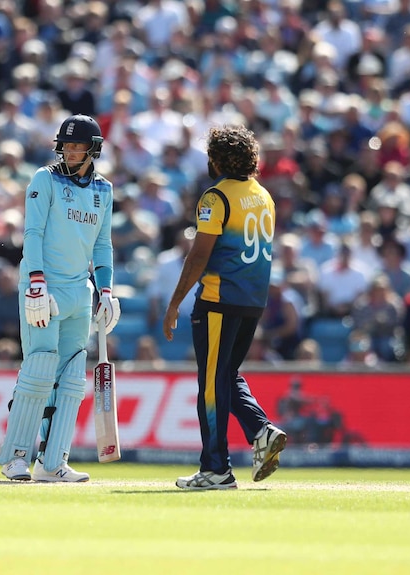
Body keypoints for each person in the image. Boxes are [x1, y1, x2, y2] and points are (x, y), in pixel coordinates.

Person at [162, 125, 286, 491]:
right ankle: (261, 430)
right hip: (252, 300)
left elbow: (200, 253)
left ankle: (216, 468)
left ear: (217, 159)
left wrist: (175, 302)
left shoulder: (215, 197)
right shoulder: (263, 195)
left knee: (211, 385)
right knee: (226, 376)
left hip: (219, 299)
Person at [0, 114, 118, 483]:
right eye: (65, 145)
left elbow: (102, 245)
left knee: (70, 379)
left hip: (79, 294)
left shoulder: (104, 190)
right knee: (38, 370)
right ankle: (16, 456)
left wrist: (107, 290)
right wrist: (35, 281)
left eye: (77, 145)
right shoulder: (44, 179)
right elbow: (32, 233)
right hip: (44, 289)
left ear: (93, 149)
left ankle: (52, 463)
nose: (69, 151)